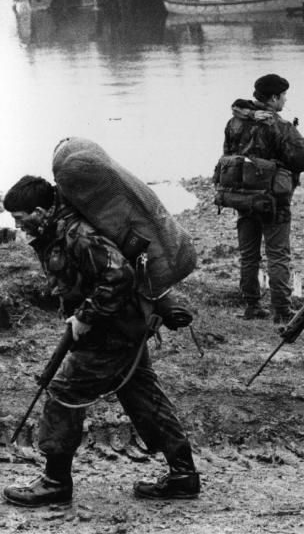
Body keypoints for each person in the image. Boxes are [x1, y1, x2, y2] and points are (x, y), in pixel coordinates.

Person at [1, 176, 199, 507]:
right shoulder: (60, 229)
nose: (19, 227)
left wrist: (84, 316)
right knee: (143, 396)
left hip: (112, 332)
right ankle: (183, 475)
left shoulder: (78, 233)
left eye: (21, 220)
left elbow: (120, 275)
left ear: (39, 210)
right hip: (125, 327)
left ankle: (55, 482)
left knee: (64, 392)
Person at [223, 74, 304, 322]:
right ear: (274, 97)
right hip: (274, 201)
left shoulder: (234, 123)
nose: (285, 100)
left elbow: (228, 155)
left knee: (249, 255)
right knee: (277, 255)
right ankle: (282, 310)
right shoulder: (279, 125)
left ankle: (252, 306)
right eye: (284, 96)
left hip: (243, 197)